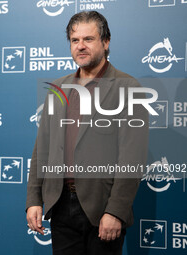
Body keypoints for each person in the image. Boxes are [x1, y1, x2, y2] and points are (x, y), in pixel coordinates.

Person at [26, 11, 149, 255]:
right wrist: (33, 200)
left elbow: (131, 158)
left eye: (88, 39)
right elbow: (42, 148)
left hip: (102, 209)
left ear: (106, 42)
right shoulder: (58, 89)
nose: (80, 46)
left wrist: (115, 211)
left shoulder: (128, 87)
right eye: (75, 40)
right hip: (60, 207)